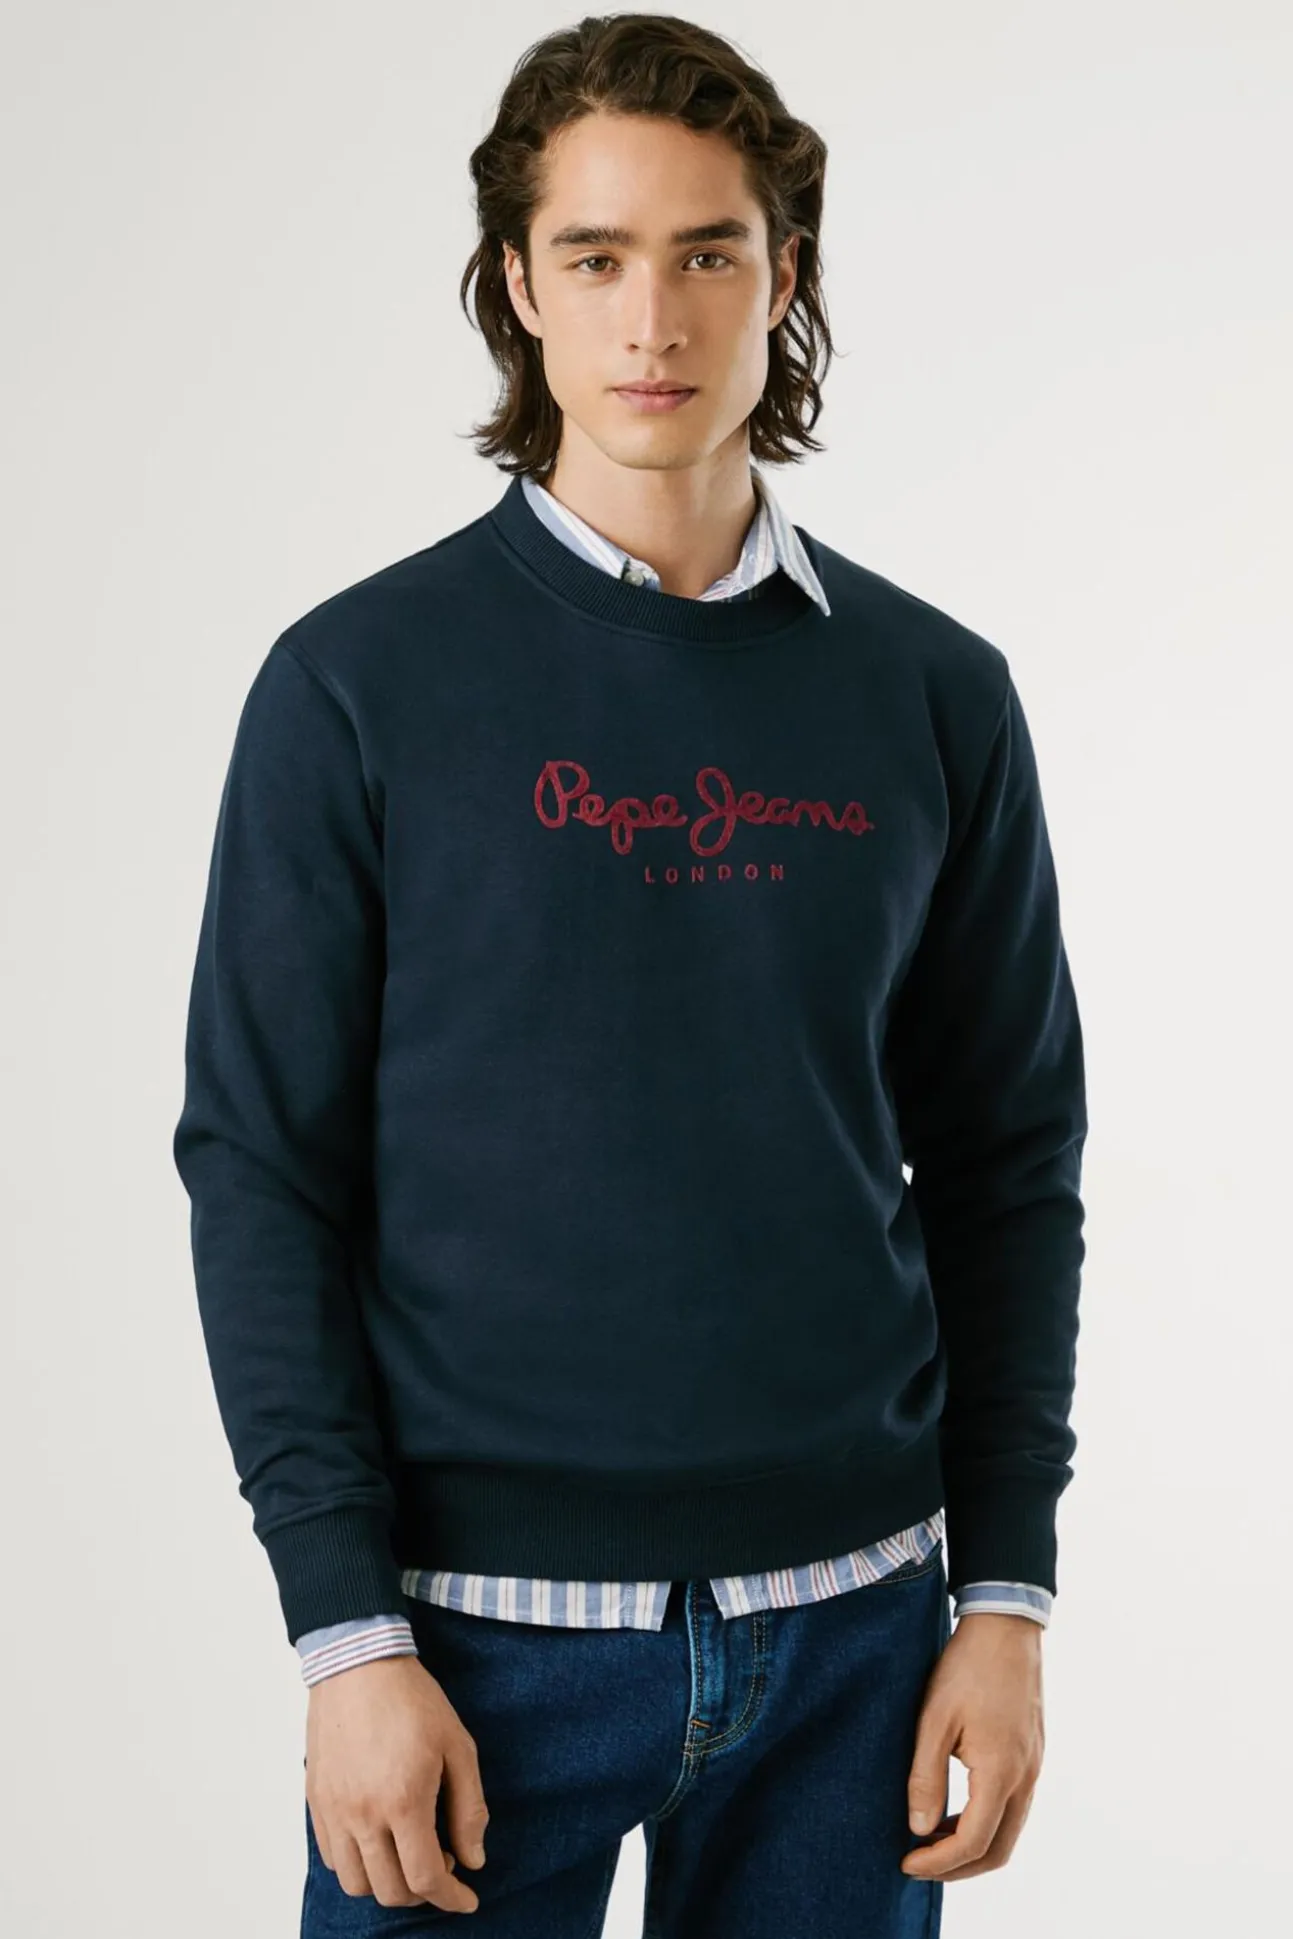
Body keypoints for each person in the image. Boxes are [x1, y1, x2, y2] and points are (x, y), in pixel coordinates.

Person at [172, 15, 1086, 1936]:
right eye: (594, 257)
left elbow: (1009, 1163)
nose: (652, 320)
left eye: (706, 253)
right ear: (519, 285)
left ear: (784, 274)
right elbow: (261, 1175)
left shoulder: (934, 695)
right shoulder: (355, 688)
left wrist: (1003, 1596)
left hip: (856, 1642)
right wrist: (345, 1635)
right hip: (470, 1654)